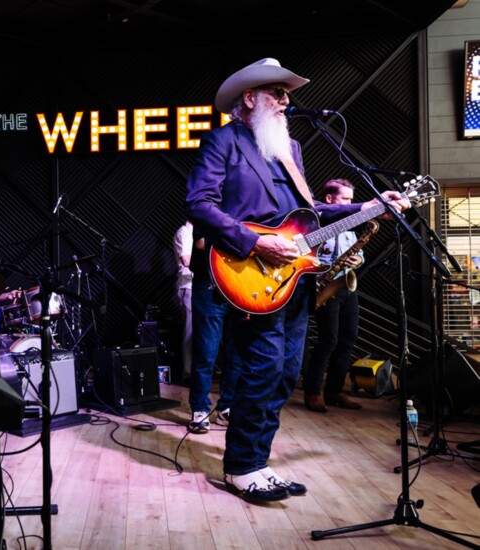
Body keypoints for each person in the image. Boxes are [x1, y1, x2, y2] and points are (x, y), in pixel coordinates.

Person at [186, 57, 411, 503]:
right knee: (263, 367)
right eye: (278, 93)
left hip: (295, 279)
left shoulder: (292, 151)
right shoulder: (222, 141)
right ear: (249, 99)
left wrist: (367, 206)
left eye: (288, 94)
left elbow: (310, 214)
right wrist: (254, 243)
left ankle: (259, 461)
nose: (288, 102)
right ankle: (242, 466)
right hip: (249, 271)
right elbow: (199, 204)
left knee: (287, 372)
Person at [304, 179, 364, 413]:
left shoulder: (350, 226)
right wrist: (320, 275)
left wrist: (358, 260)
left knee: (348, 338)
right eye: (345, 199)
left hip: (347, 285)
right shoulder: (316, 225)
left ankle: (335, 390)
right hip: (325, 285)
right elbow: (305, 256)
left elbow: (361, 255)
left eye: (352, 199)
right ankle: (313, 392)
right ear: (329, 199)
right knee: (327, 340)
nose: (351, 204)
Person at [187, 233, 241, 434]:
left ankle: (225, 407)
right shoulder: (209, 203)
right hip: (210, 283)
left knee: (236, 355)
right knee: (206, 352)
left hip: (240, 283)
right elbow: (202, 242)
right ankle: (200, 408)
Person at [173, 221, 194, 382]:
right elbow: (187, 261)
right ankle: (188, 373)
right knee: (189, 333)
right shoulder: (184, 233)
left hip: (198, 286)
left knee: (197, 334)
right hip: (189, 287)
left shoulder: (198, 232)